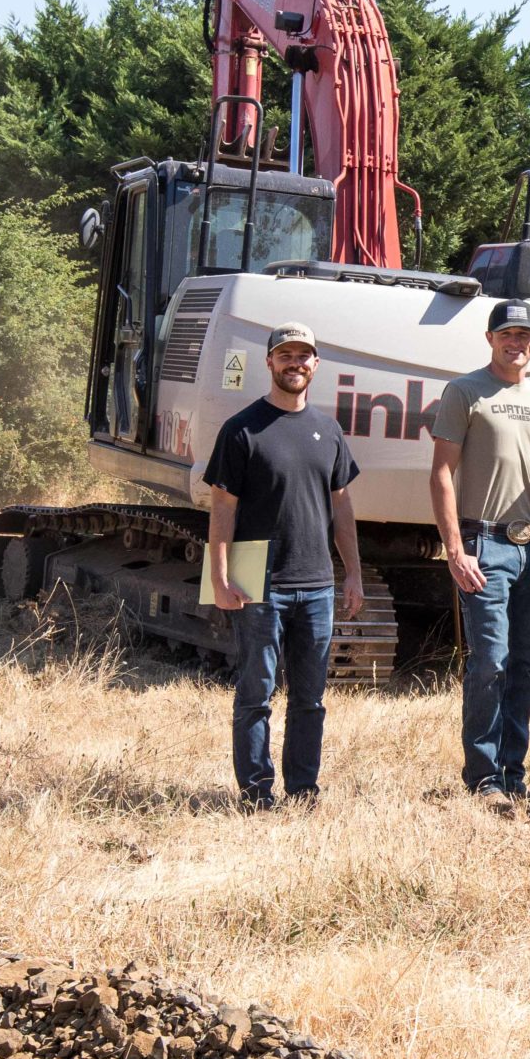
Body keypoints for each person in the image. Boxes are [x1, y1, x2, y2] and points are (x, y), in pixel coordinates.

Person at [203, 322, 364, 810]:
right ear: (270, 362)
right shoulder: (242, 429)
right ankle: (255, 793)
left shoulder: (329, 430)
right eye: (285, 355)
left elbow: (342, 507)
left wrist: (352, 572)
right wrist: (219, 577)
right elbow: (223, 507)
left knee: (310, 699)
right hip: (259, 583)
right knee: (257, 693)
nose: (295, 363)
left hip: (316, 584)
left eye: (304, 356)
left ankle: (303, 791)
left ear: (316, 365)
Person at [429, 298, 530, 805]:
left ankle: (514, 772)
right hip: (483, 544)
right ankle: (485, 777)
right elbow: (442, 473)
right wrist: (455, 547)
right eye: (507, 334)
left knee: (523, 662)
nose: (516, 343)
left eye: (525, 336)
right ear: (491, 339)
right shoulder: (465, 392)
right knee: (488, 660)